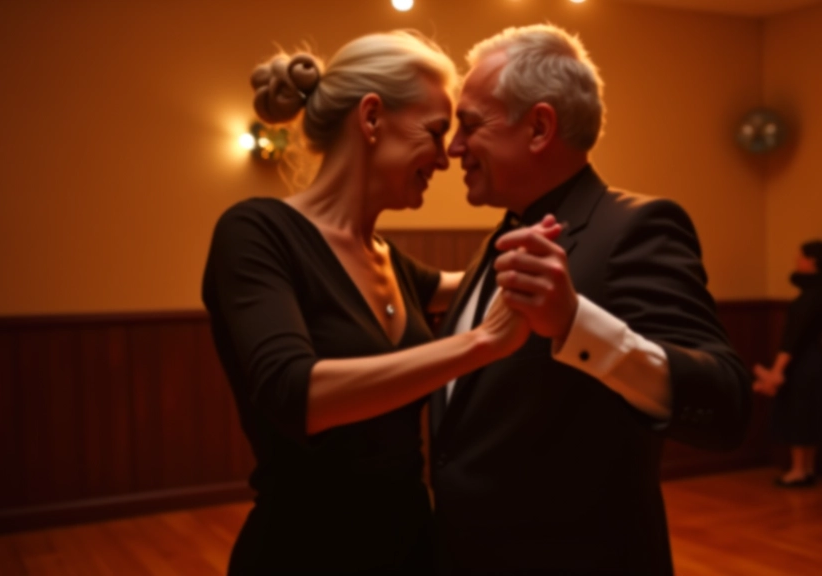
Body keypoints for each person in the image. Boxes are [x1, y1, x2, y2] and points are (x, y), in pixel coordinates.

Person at [202, 31, 558, 575]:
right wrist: (483, 343)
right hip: (303, 554)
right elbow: (296, 394)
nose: (445, 159)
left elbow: (482, 280)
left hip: (411, 550)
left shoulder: (390, 260)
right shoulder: (256, 233)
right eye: (436, 133)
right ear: (371, 118)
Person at [428, 24, 752, 575]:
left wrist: (576, 323)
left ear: (539, 127)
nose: (454, 147)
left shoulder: (637, 227)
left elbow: (726, 404)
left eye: (470, 125)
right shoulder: (495, 241)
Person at [753, 240, 822, 487]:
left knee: (800, 413)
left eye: (800, 257)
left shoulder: (810, 296)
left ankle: (799, 470)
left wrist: (776, 372)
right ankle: (807, 468)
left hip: (803, 361)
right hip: (815, 358)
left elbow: (793, 337)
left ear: (812, 261)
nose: (795, 261)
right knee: (809, 412)